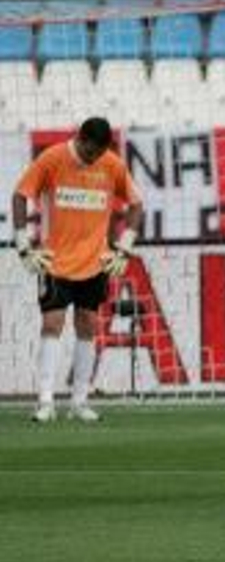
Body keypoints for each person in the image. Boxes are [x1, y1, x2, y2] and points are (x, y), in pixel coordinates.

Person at [12, 117, 142, 424]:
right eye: (91, 152)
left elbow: (136, 205)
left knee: (87, 326)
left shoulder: (112, 165)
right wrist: (22, 245)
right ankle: (45, 402)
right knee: (52, 324)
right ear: (80, 139)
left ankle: (79, 402)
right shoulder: (53, 158)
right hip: (54, 261)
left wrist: (124, 246)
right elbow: (20, 195)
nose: (94, 158)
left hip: (95, 262)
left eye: (99, 153)